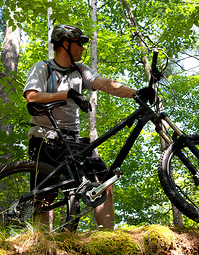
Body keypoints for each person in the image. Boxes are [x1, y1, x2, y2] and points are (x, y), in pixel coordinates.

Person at [23, 24, 151, 230]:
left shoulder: (80, 70)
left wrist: (136, 93)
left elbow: (106, 84)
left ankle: (109, 239)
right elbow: (32, 97)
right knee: (45, 195)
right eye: (79, 43)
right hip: (44, 138)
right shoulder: (43, 68)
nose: (83, 48)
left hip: (72, 139)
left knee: (103, 181)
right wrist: (67, 94)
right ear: (65, 44)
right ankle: (42, 243)